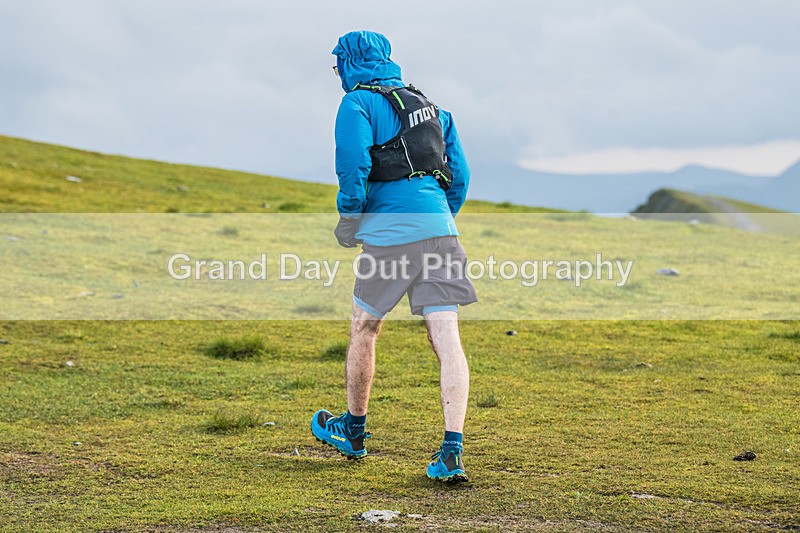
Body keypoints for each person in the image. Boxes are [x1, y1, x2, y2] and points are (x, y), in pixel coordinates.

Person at [310, 30, 477, 483]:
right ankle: (451, 452)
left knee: (365, 327)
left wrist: (350, 221)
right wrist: (437, 220)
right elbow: (458, 176)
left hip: (389, 234)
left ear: (348, 62)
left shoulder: (357, 104)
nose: (337, 72)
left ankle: (354, 432)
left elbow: (353, 166)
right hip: (441, 232)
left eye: (337, 64)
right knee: (447, 341)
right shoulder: (435, 110)